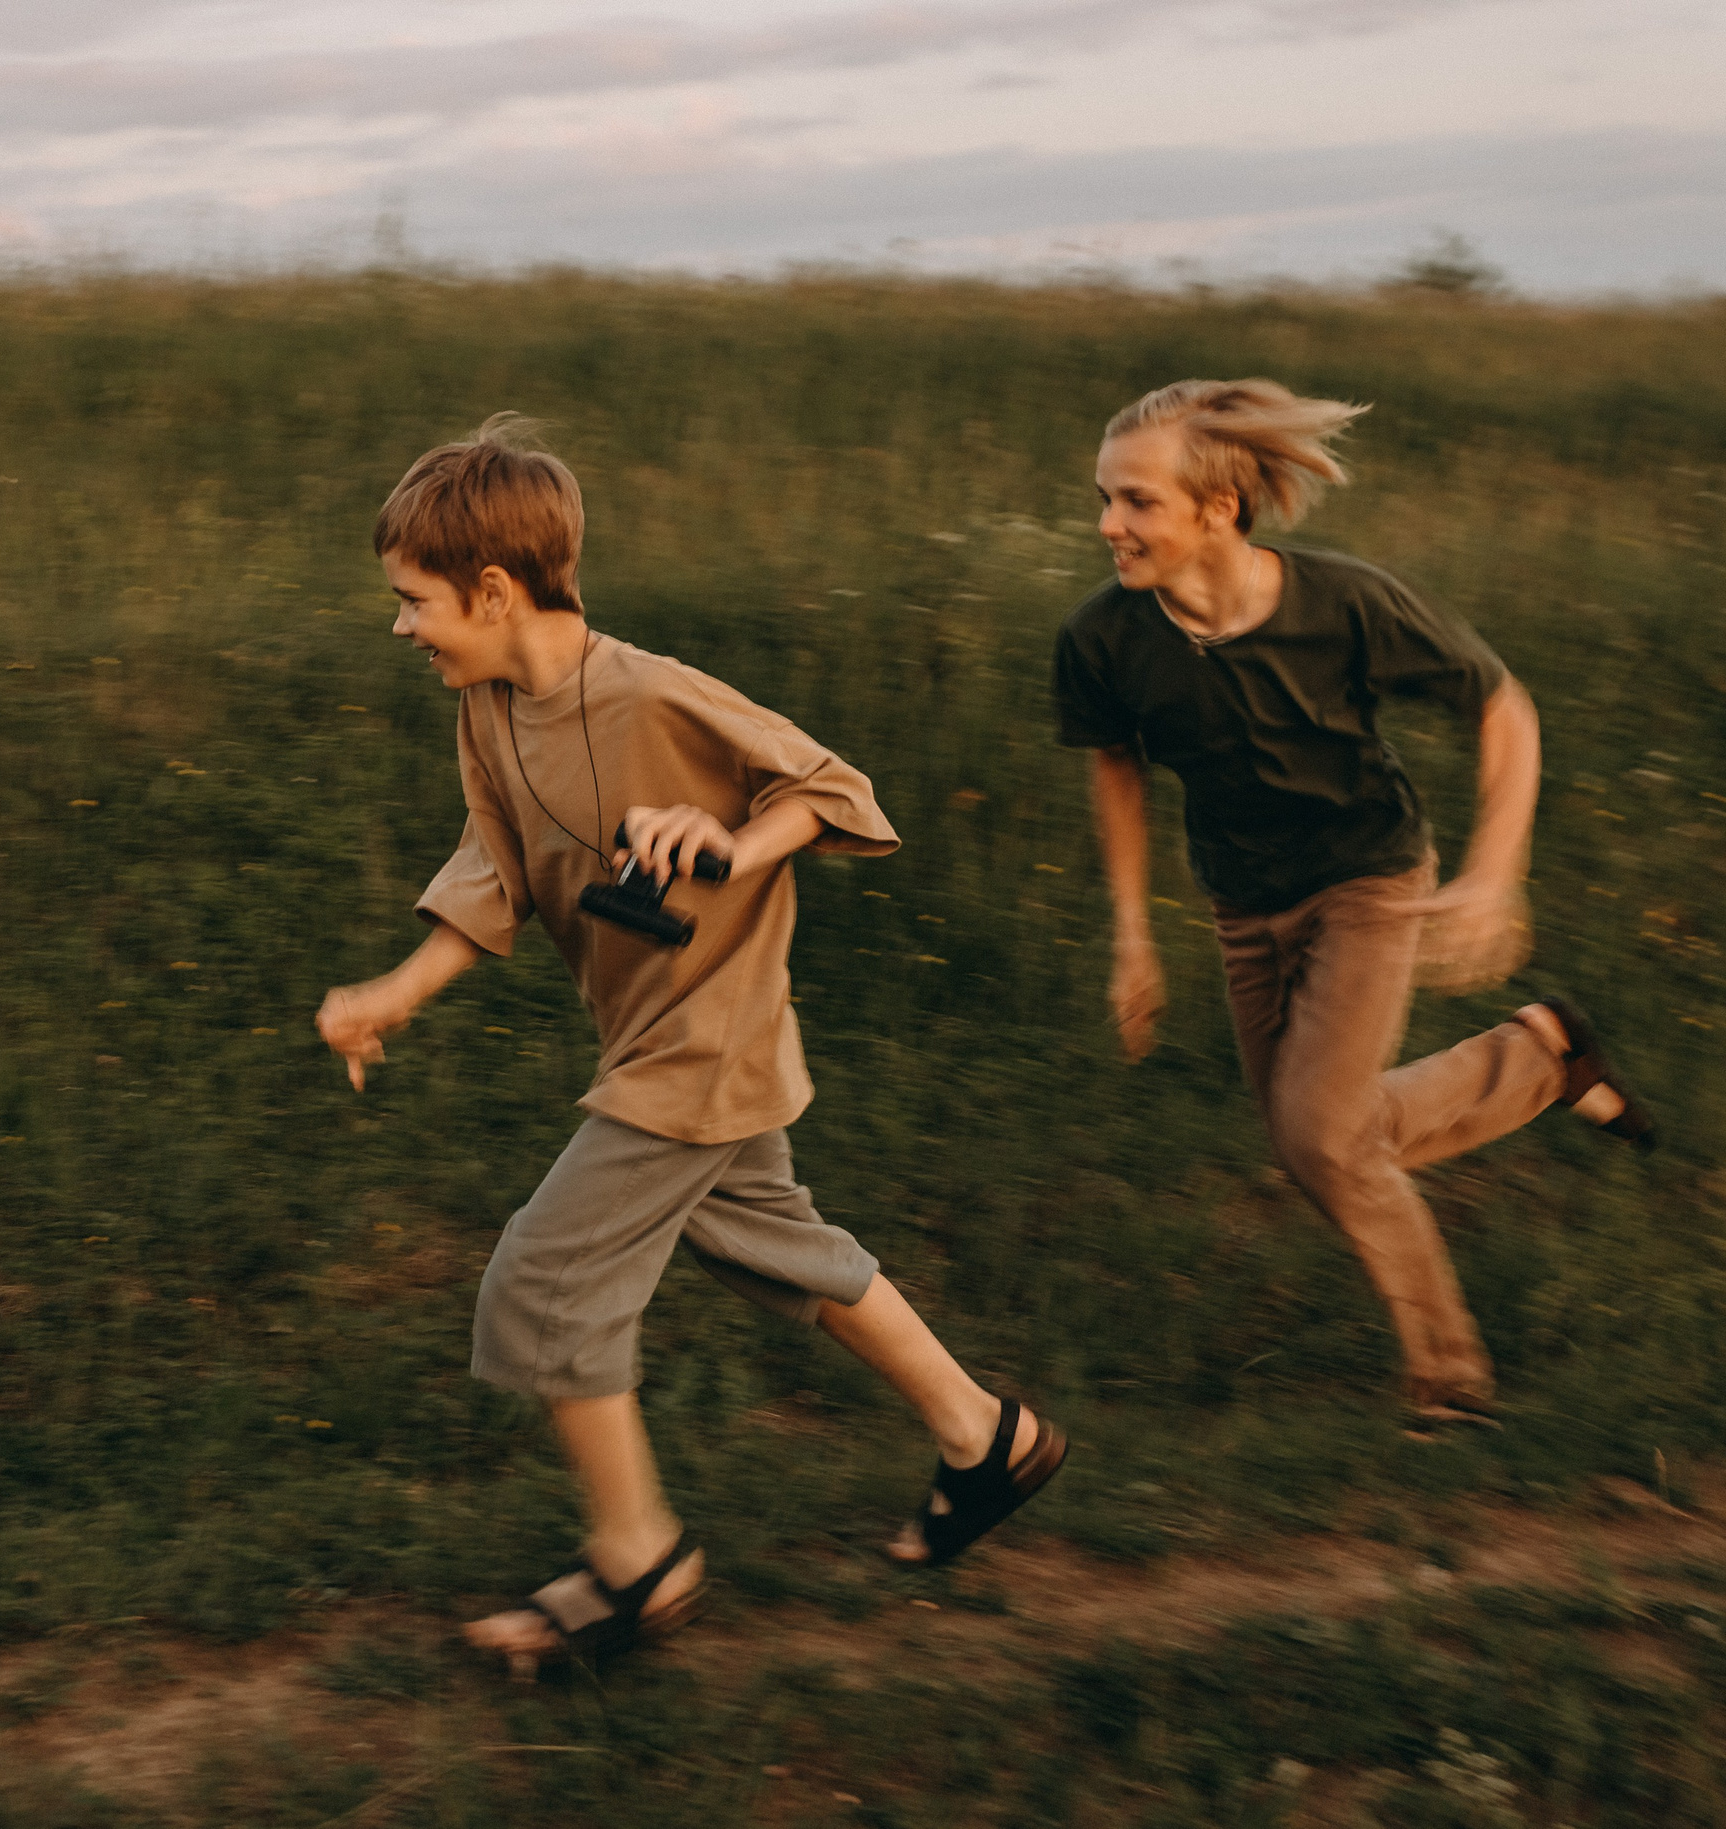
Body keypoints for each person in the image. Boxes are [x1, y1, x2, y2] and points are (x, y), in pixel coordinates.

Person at [317, 414, 1065, 1677]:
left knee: (543, 1281)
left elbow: (836, 792)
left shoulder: (651, 690)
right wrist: (398, 987)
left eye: (413, 599)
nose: (400, 625)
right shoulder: (490, 708)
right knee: (776, 1241)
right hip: (652, 1035)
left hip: (703, 1042)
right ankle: (983, 1434)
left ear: (493, 589)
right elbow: (492, 864)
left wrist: (731, 843)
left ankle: (637, 1560)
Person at [1054, 378, 1655, 1432]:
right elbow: (1116, 764)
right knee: (1312, 1138)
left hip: (1367, 880)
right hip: (1243, 904)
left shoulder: (1344, 604)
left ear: (1217, 508)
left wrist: (1492, 869)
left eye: (1137, 501)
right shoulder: (1103, 638)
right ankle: (1541, 1056)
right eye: (1106, 497)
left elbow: (1501, 704)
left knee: (1325, 1139)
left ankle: (1451, 1378)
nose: (1109, 523)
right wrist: (1133, 935)